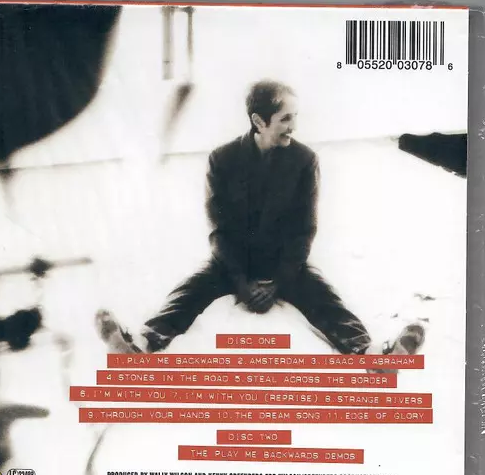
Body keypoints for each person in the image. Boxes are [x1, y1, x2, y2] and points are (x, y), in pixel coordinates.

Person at [95, 80, 425, 361]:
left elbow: (304, 231)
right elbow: (219, 231)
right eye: (285, 119)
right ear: (258, 120)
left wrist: (278, 282)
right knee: (187, 294)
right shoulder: (222, 159)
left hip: (284, 265)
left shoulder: (305, 160)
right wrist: (240, 281)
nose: (293, 126)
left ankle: (371, 354)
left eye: (295, 117)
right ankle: (140, 345)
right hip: (232, 262)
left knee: (326, 299)